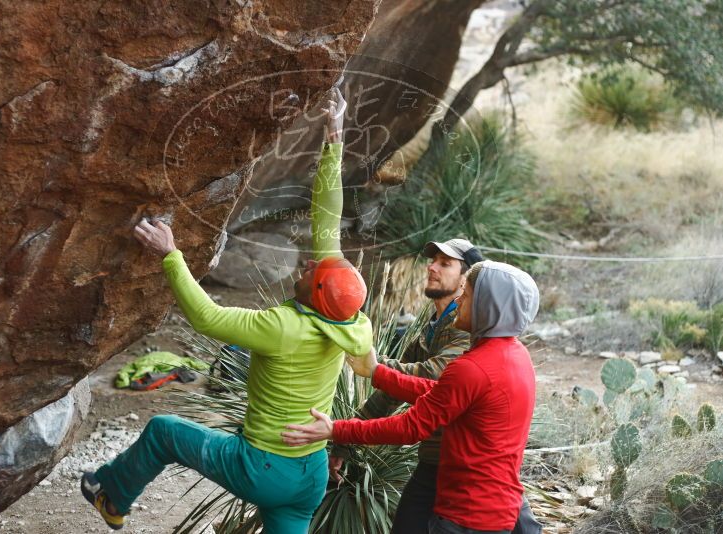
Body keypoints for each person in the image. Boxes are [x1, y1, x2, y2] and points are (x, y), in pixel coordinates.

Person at [81, 88, 373, 533]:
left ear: (314, 292)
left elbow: (207, 318)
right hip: (309, 474)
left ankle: (112, 496)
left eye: (313, 269)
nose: (312, 260)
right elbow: (327, 219)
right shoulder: (351, 321)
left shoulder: (283, 326)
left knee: (163, 430)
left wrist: (171, 254)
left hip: (263, 469)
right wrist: (335, 136)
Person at [283, 260, 540, 534]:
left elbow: (409, 427)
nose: (459, 300)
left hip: (467, 517)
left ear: (489, 307)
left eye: (467, 295)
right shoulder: (516, 355)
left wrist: (335, 429)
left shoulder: (472, 368)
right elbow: (441, 395)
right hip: (500, 507)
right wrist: (378, 373)